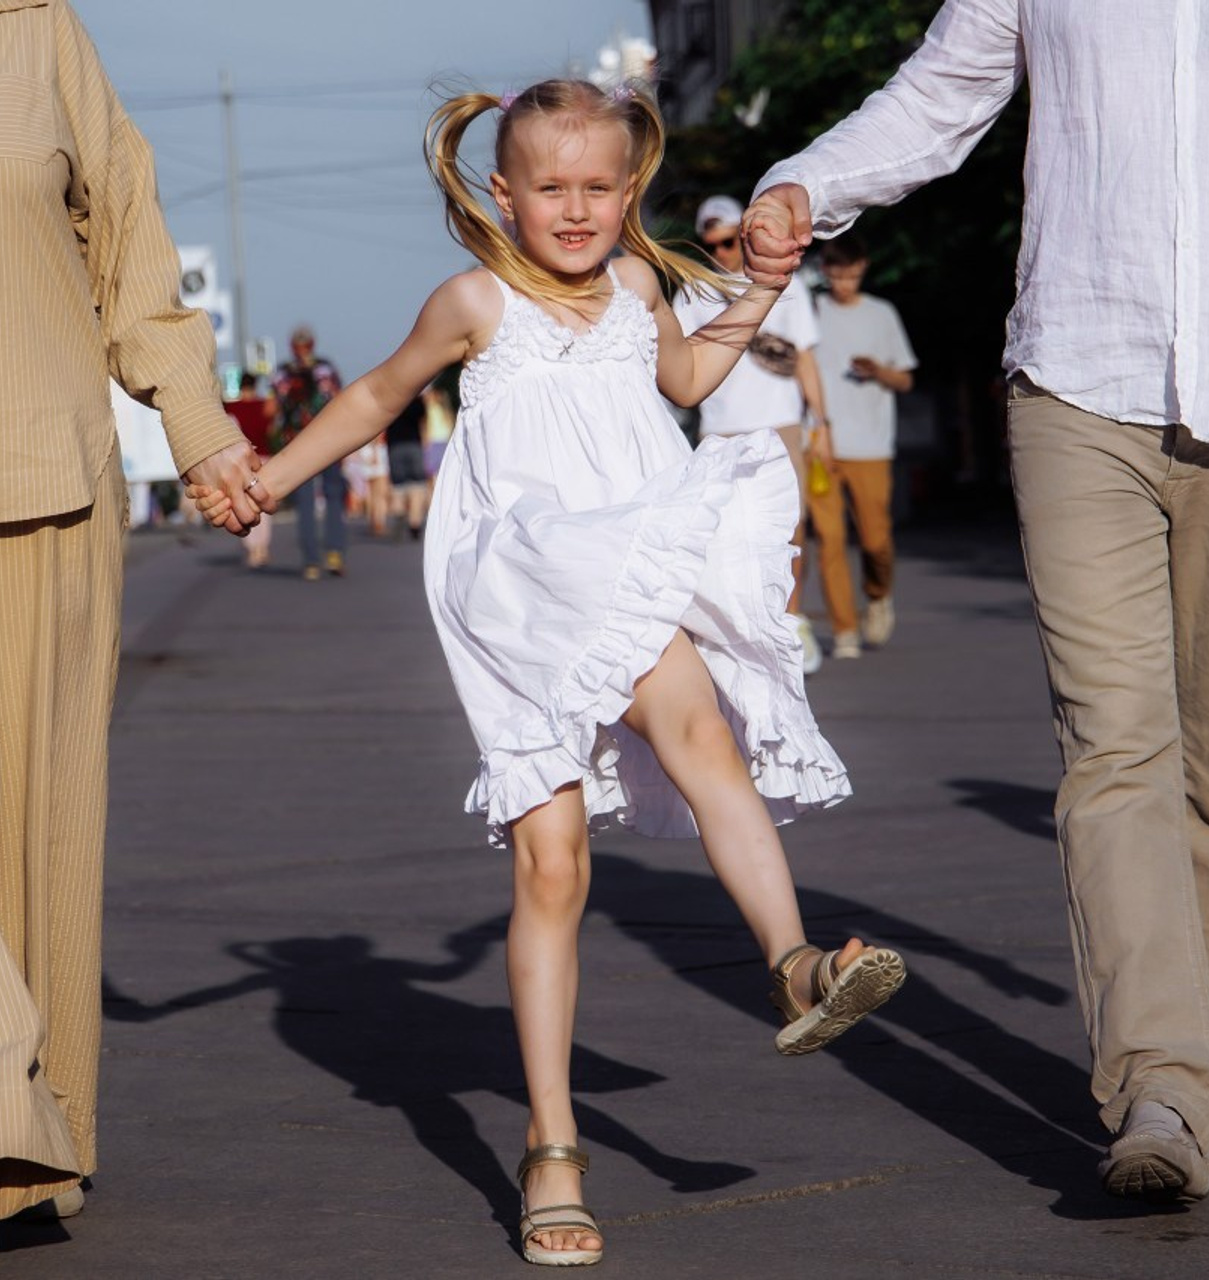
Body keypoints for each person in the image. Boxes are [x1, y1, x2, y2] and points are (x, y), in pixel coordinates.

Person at [190, 78, 906, 1265]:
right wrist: (266, 476)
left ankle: (790, 966)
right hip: (518, 580)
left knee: (693, 735)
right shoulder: (475, 301)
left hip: (619, 555)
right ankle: (555, 1142)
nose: (574, 209)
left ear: (629, 193)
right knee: (553, 859)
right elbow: (376, 393)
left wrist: (762, 286)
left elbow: (682, 383)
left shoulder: (636, 285)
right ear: (502, 192)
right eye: (549, 187)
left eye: (596, 187)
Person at [744, 0, 1209, 1206]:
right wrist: (802, 187)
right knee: (1113, 745)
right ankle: (1159, 1085)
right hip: (1077, 380)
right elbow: (939, 98)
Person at [0, 0, 263, 1223]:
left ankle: (26, 1138)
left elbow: (127, 246)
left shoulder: (39, 32)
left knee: (36, 837)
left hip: (36, 486)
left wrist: (199, 428)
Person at [673, 195, 831, 675]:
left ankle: (792, 619)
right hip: (720, 430)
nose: (720, 253)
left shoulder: (789, 284)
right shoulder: (695, 294)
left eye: (727, 241)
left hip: (779, 423)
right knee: (722, 537)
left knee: (790, 530)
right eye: (711, 245)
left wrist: (820, 424)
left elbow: (804, 357)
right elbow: (679, 365)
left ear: (744, 234)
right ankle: (741, 630)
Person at [810, 232, 917, 658]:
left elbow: (906, 378)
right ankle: (844, 630)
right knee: (830, 539)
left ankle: (877, 595)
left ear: (862, 270)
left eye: (851, 274)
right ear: (825, 272)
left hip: (871, 444)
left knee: (875, 540)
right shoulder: (812, 313)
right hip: (819, 444)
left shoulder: (881, 314)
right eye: (835, 274)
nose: (843, 283)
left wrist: (878, 371)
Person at [273, 325, 346, 579]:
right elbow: (339, 400)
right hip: (328, 438)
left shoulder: (282, 373)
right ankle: (333, 553)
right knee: (332, 496)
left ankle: (312, 560)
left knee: (307, 501)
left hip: (299, 441)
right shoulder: (325, 368)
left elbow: (278, 408)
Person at [224, 371, 280, 569]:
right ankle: (262, 548)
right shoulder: (264, 406)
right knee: (262, 503)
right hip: (263, 458)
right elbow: (272, 431)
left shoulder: (230, 407)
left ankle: (251, 548)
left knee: (243, 502)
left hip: (240, 461)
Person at [384, 391, 429, 539]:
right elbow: (423, 422)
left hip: (395, 446)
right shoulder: (417, 400)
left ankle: (399, 513)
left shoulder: (391, 399)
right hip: (413, 444)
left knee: (398, 486)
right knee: (417, 486)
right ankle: (414, 523)